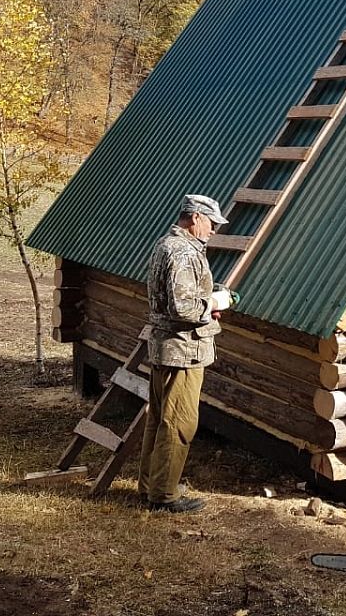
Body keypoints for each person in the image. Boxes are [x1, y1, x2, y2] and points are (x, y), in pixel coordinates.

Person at [138, 194, 238, 514]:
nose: (213, 231)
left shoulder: (167, 244)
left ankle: (152, 485)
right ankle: (164, 496)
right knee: (179, 422)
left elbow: (174, 300)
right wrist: (215, 304)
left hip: (167, 346)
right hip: (184, 350)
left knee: (159, 418)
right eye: (211, 224)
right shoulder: (183, 252)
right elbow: (183, 307)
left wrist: (204, 303)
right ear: (195, 218)